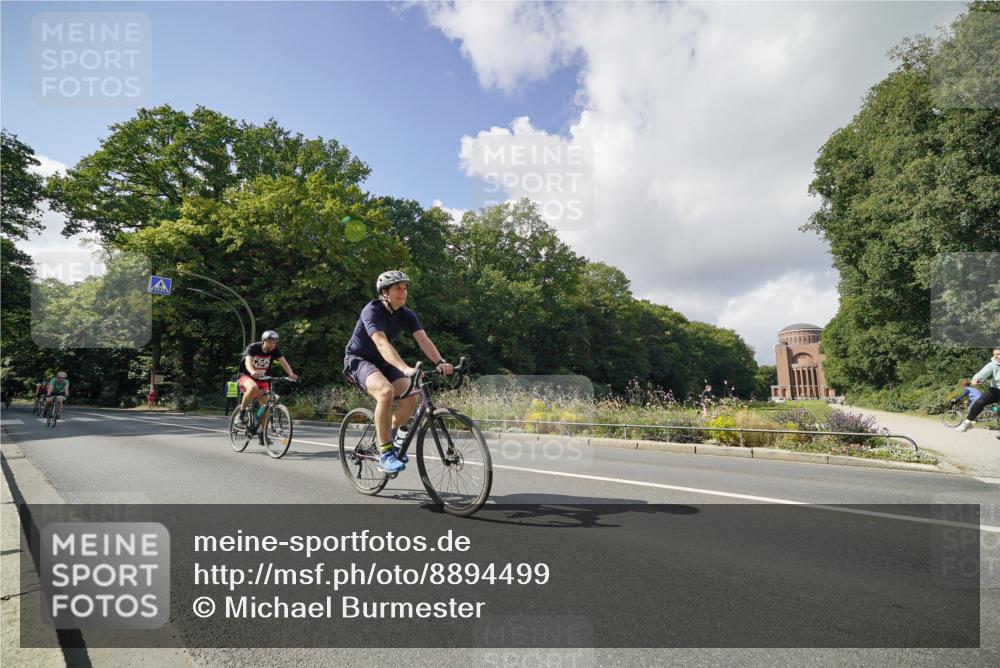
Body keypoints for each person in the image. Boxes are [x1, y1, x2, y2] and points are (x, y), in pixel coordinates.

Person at [343, 270, 453, 474]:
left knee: (412, 394)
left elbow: (423, 339)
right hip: (359, 360)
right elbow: (381, 343)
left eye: (405, 289)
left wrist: (440, 361)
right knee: (385, 392)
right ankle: (385, 454)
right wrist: (404, 368)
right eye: (397, 288)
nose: (403, 293)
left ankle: (390, 436)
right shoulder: (372, 310)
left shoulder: (407, 314)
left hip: (383, 363)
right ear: (384, 292)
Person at [235, 331, 298, 427]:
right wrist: (252, 371)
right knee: (253, 387)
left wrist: (291, 374)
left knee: (265, 409)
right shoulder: (253, 348)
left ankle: (262, 435)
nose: (273, 344)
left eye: (275, 342)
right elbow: (248, 362)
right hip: (246, 376)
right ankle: (241, 414)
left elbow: (283, 362)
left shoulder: (275, 349)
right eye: (270, 342)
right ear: (264, 341)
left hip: (263, 379)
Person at [958, 347, 1000, 433]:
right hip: (996, 390)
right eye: (994, 354)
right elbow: (982, 373)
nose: (996, 356)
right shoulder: (992, 365)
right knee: (980, 402)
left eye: (998, 354)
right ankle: (967, 423)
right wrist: (975, 379)